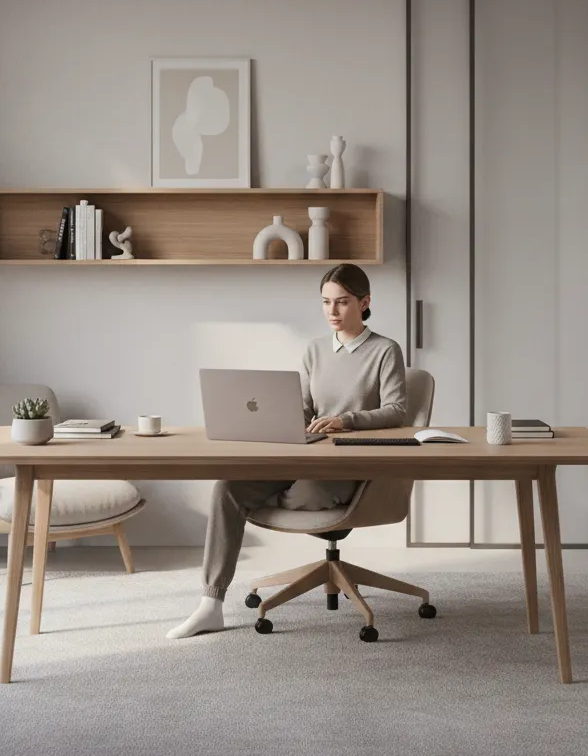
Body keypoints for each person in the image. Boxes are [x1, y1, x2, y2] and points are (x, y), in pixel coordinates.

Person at [166, 263, 407, 639]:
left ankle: (274, 495)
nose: (332, 311)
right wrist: (277, 418)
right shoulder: (313, 350)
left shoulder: (385, 351)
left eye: (342, 302)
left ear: (365, 303)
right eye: (326, 302)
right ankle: (210, 604)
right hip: (304, 456)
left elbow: (397, 410)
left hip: (348, 464)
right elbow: (306, 409)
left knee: (305, 490)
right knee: (228, 488)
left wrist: (347, 420)